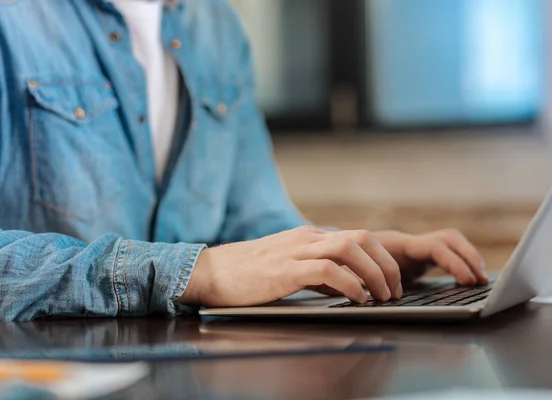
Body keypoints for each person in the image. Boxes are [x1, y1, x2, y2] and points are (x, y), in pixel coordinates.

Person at [0, 0, 488, 322]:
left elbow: (252, 221)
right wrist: (194, 272)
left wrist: (340, 254)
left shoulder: (216, 25)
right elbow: (210, 268)